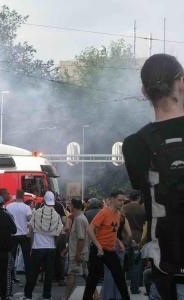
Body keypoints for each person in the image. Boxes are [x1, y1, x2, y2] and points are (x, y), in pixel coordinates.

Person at [122, 53, 184, 299]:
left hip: (165, 272)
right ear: (181, 82)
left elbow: (141, 187)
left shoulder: (135, 145)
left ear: (144, 92)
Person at [82, 191, 130, 300]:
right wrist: (98, 246)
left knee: (119, 277)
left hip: (110, 250)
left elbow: (112, 231)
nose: (122, 203)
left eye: (123, 200)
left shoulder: (118, 214)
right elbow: (90, 229)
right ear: (112, 199)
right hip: (98, 250)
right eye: (120, 200)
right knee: (93, 279)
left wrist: (119, 242)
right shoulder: (104, 212)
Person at [24, 191, 64, 300]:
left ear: (44, 200)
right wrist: (55, 243)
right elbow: (61, 231)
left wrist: (31, 246)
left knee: (33, 273)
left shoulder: (37, 212)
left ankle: (28, 295)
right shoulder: (56, 215)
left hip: (37, 247)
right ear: (54, 200)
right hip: (51, 248)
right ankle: (47, 296)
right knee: (49, 274)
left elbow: (31, 230)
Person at [101, 202, 132, 300]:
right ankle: (119, 296)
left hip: (108, 245)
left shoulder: (109, 217)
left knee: (108, 272)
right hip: (120, 247)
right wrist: (125, 243)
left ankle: (107, 296)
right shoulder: (123, 217)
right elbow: (130, 234)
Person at [61, 198, 89, 300]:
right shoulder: (80, 218)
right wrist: (67, 249)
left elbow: (81, 239)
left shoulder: (79, 219)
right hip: (79, 252)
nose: (69, 206)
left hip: (77, 254)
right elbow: (75, 239)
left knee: (71, 275)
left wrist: (77, 254)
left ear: (73, 206)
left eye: (70, 205)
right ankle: (96, 295)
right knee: (86, 274)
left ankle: (65, 297)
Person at [6, 189, 32, 282]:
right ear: (23, 197)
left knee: (12, 257)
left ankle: (12, 277)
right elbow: (30, 219)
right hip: (24, 235)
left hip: (12, 235)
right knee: (26, 257)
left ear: (16, 196)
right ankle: (29, 277)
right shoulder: (26, 207)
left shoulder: (9, 207)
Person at [123, 191, 146, 294]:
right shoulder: (143, 209)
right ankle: (134, 288)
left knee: (122, 263)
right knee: (136, 264)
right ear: (139, 197)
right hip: (138, 237)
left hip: (125, 237)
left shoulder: (123, 208)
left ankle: (121, 287)